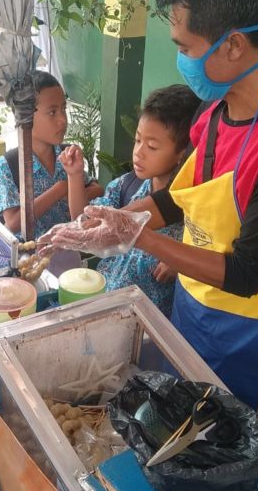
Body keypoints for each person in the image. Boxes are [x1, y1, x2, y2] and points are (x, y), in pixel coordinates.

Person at [44, 0, 258, 410]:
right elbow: (178, 202)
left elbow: (248, 274)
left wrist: (139, 237)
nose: (182, 62)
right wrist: (107, 223)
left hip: (245, 331)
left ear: (233, 45)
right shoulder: (213, 114)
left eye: (186, 48)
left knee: (219, 432)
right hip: (189, 310)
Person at [60, 85, 200, 317]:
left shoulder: (194, 216)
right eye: (137, 140)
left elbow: (214, 265)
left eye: (152, 146)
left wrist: (181, 264)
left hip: (145, 327)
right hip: (101, 309)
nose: (139, 152)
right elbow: (85, 224)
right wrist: (75, 175)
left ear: (182, 153)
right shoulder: (127, 186)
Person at [0, 71, 103, 240]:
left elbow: (97, 189)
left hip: (68, 249)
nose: (63, 120)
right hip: (31, 253)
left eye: (63, 109)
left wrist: (74, 188)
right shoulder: (9, 165)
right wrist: (61, 189)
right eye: (52, 112)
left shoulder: (67, 155)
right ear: (26, 116)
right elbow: (14, 222)